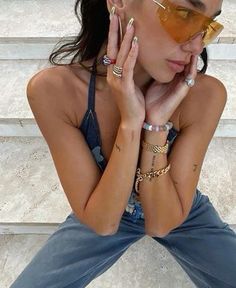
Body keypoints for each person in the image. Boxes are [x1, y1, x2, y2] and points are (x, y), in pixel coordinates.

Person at [10, 0, 236, 287]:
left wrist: (155, 126)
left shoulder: (203, 94)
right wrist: (130, 122)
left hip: (178, 203)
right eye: (184, 15)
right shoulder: (55, 91)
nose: (196, 46)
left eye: (207, 27)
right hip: (102, 199)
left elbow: (163, 223)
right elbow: (103, 223)